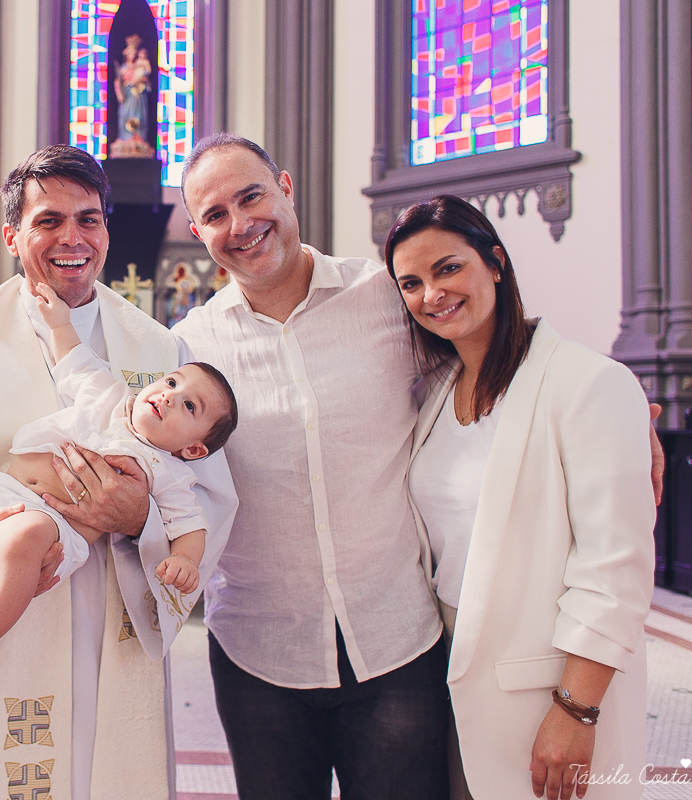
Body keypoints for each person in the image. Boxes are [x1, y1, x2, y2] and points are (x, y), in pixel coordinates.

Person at [0, 144, 237, 800]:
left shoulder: (163, 353)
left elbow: (207, 502)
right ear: (13, 235)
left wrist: (140, 519)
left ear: (106, 229)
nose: (73, 238)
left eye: (89, 219)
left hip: (113, 634)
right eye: (48, 221)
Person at [174, 132, 450, 800]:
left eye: (252, 196)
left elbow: (493, 354)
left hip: (396, 639)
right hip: (258, 653)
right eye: (215, 216)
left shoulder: (387, 296)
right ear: (196, 231)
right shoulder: (189, 344)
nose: (240, 225)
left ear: (286, 188)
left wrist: (611, 418)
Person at [0, 280, 237, 699]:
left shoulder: (169, 472)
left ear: (194, 448)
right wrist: (58, 322)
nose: (170, 398)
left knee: (19, 539)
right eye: (172, 383)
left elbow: (190, 523)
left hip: (51, 522)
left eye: (189, 406)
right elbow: (75, 359)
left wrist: (184, 560)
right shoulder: (110, 395)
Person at [386, 196, 655, 800]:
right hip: (448, 672)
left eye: (448, 268)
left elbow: (615, 569)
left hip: (547, 682)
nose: (432, 294)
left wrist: (576, 709)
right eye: (411, 283)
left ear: (497, 263)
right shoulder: (436, 389)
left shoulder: (589, 383)